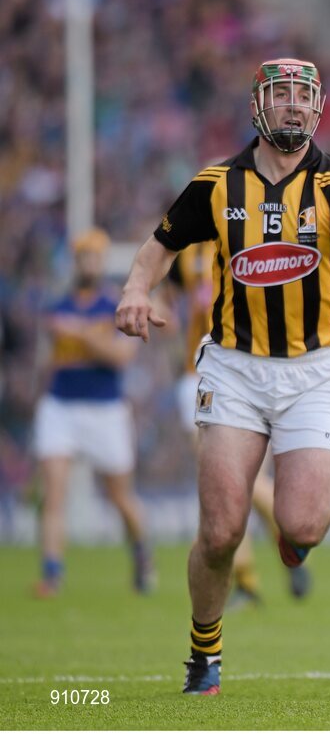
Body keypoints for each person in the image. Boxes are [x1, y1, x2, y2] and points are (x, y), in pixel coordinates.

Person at [115, 58, 330, 695]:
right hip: (234, 368)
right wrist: (137, 290)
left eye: (304, 97)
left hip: (313, 372)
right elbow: (160, 245)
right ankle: (204, 651)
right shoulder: (216, 184)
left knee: (304, 526)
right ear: (259, 106)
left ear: (318, 107)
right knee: (220, 532)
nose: (294, 108)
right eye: (282, 97)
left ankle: (293, 550)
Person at [167, 241, 311, 608]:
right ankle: (262, 564)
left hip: (247, 370)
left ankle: (283, 538)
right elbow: (167, 296)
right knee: (226, 481)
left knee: (231, 480)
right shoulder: (188, 251)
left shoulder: (253, 239)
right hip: (198, 372)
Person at [32, 228, 153, 598]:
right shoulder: (57, 307)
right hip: (60, 406)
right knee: (53, 494)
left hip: (105, 410)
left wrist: (80, 333)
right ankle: (52, 573)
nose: (89, 263)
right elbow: (47, 361)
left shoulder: (115, 307)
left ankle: (141, 553)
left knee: (120, 496)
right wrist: (89, 337)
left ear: (102, 262)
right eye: (83, 256)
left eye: (94, 256)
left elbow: (121, 357)